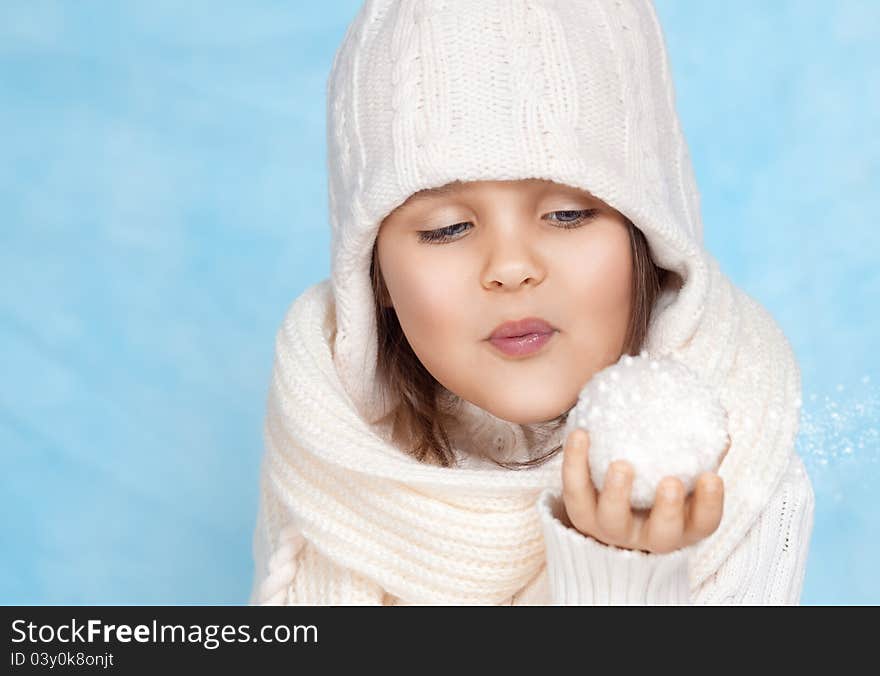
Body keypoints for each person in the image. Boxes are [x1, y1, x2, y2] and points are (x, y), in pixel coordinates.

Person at [249, 0, 815, 605]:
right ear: (374, 277)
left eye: (568, 214)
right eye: (446, 229)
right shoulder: (325, 443)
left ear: (647, 240)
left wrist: (622, 576)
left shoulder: (740, 469)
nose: (512, 268)